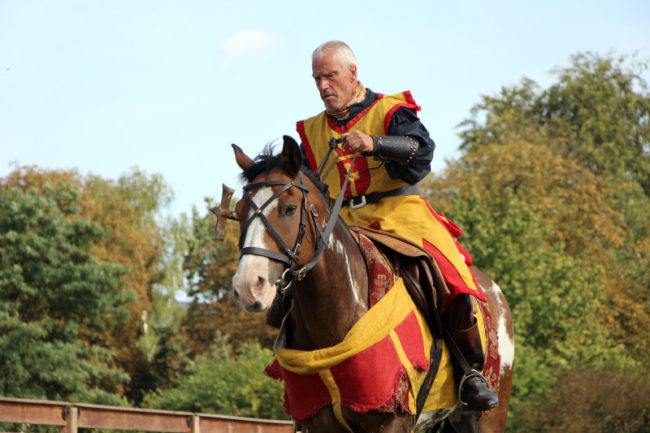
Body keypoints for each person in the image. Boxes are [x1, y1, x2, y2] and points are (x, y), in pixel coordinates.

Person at [296, 40, 498, 411]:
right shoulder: (311, 131)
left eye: (330, 76)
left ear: (352, 73)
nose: (323, 86)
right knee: (296, 283)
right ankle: (307, 385)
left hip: (400, 213)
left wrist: (374, 143)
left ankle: (470, 372)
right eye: (317, 79)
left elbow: (422, 151)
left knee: (448, 274)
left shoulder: (391, 109)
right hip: (346, 224)